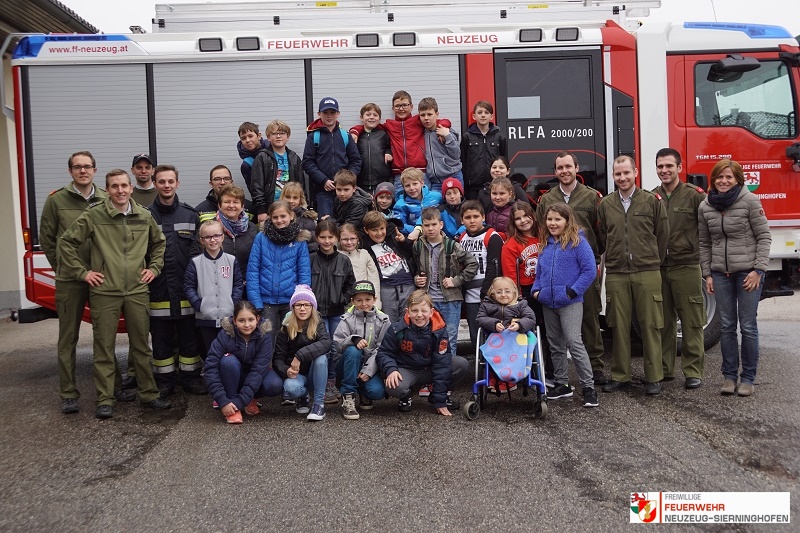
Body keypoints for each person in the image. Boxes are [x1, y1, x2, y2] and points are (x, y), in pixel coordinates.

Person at [58, 169, 171, 419]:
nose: (120, 190)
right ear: (107, 190)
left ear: (131, 188)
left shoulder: (143, 215)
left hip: (137, 291)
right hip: (104, 292)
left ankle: (149, 395)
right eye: (114, 186)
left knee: (141, 347)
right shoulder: (95, 214)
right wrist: (83, 273)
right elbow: (66, 242)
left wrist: (154, 268)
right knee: (104, 348)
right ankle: (105, 399)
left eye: (124, 186)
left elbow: (159, 243)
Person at [39, 151, 108, 414]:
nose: (82, 171)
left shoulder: (105, 197)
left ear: (94, 169)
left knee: (104, 336)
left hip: (101, 278)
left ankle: (107, 390)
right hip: (70, 280)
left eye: (87, 166)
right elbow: (48, 238)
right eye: (77, 167)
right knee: (68, 337)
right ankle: (69, 393)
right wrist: (64, 268)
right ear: (70, 171)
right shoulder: (56, 200)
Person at [698, 158, 771, 397]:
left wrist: (758, 270)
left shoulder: (749, 201)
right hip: (720, 274)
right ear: (713, 179)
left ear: (738, 179)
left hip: (747, 273)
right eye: (720, 177)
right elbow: (704, 243)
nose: (724, 181)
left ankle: (748, 377)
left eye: (729, 177)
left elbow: (764, 237)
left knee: (748, 326)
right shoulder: (706, 206)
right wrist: (707, 273)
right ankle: (729, 377)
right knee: (727, 327)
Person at [598, 155, 668, 395]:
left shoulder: (651, 201)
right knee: (618, 325)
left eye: (626, 172)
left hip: (647, 271)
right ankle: (620, 375)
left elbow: (662, 234)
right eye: (618, 174)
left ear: (635, 172)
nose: (622, 177)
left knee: (650, 325)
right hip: (617, 272)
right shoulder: (606, 204)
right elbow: (601, 237)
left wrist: (651, 258)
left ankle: (654, 377)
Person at [536, 151, 605, 384]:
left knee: (590, 319)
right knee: (557, 330)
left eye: (568, 166)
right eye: (559, 168)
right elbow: (542, 231)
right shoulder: (546, 199)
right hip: (559, 268)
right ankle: (561, 376)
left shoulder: (592, 197)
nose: (564, 171)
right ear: (555, 172)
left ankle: (596, 367)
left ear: (577, 168)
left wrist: (594, 255)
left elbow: (601, 231)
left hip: (584, 266)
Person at [532, 203, 599, 408]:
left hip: (569, 302)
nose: (553, 223)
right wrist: (537, 290)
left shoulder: (578, 242)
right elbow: (539, 273)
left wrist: (572, 291)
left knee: (573, 341)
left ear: (567, 220)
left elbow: (589, 271)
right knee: (555, 344)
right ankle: (562, 384)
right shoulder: (545, 244)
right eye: (550, 219)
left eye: (557, 219)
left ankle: (589, 387)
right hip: (548, 302)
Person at [147, 164, 205, 397]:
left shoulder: (191, 215)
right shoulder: (145, 216)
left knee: (189, 336)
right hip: (158, 288)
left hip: (185, 288)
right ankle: (165, 381)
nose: (167, 185)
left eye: (171, 181)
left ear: (177, 184)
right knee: (160, 338)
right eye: (162, 181)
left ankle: (190, 379)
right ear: (155, 184)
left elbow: (199, 253)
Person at [652, 148, 706, 389]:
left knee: (692, 320)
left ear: (679, 167)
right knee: (663, 321)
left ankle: (693, 371)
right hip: (660, 268)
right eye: (660, 166)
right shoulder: (652, 197)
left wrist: (708, 266)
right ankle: (665, 369)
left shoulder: (695, 196)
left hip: (687, 266)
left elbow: (708, 230)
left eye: (669, 166)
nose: (664, 170)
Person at [375, 290, 469, 415]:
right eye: (414, 311)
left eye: (424, 311)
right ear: (407, 312)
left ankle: (437, 395)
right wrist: (391, 370)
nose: (419, 315)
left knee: (461, 364)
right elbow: (384, 353)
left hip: (429, 368)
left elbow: (442, 365)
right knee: (394, 386)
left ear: (431, 312)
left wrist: (439, 400)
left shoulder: (439, 331)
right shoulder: (397, 329)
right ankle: (406, 395)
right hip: (406, 369)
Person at [349, 90, 451, 194]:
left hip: (420, 172)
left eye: (404, 105)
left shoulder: (419, 121)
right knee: (401, 204)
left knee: (424, 204)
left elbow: (442, 121)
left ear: (411, 106)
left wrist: (444, 127)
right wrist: (355, 131)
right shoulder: (389, 125)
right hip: (399, 174)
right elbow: (369, 125)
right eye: (397, 106)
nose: (401, 109)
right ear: (393, 108)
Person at [413, 207, 477, 360]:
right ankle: (430, 376)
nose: (430, 228)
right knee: (427, 340)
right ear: (422, 226)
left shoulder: (452, 245)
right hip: (427, 301)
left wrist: (456, 280)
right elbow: (414, 268)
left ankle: (449, 376)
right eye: (426, 225)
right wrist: (416, 278)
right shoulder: (418, 246)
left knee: (449, 340)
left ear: (441, 225)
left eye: (433, 224)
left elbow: (472, 264)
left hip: (450, 300)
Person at [203, 301, 282, 423]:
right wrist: (222, 400)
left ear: (257, 319)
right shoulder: (225, 335)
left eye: (251, 320)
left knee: (274, 384)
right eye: (241, 320)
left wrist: (240, 402)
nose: (247, 325)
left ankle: (248, 400)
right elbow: (210, 368)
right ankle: (231, 401)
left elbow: (257, 372)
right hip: (231, 376)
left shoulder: (264, 337)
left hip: (252, 377)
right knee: (228, 361)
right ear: (234, 321)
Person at [501, 201, 551, 387]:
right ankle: (530, 372)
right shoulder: (511, 245)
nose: (523, 221)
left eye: (525, 216)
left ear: (533, 215)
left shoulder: (545, 236)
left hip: (549, 289)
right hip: (528, 293)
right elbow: (510, 276)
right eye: (518, 218)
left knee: (550, 334)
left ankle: (551, 372)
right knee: (532, 334)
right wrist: (518, 299)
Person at [246, 200, 312, 338]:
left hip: (290, 301)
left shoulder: (299, 240)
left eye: (283, 216)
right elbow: (253, 271)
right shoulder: (261, 238)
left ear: (291, 216)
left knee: (290, 338)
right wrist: (256, 302)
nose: (279, 220)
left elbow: (304, 273)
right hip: (265, 301)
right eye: (275, 217)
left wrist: (301, 301)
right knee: (266, 339)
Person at [309, 219, 356, 404]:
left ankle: (331, 382)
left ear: (336, 238)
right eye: (323, 237)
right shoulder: (311, 258)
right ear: (316, 238)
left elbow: (351, 284)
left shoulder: (343, 260)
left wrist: (343, 299)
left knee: (336, 348)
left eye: (330, 237)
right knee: (322, 347)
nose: (327, 241)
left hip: (336, 311)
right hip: (317, 312)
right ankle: (318, 385)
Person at [184, 219, 244, 361]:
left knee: (228, 355)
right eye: (208, 237)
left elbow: (238, 284)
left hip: (227, 318)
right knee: (211, 355)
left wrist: (233, 302)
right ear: (201, 240)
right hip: (206, 319)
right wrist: (200, 305)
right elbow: (189, 286)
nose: (213, 240)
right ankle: (212, 381)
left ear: (222, 237)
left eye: (216, 236)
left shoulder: (231, 260)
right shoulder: (195, 263)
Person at [333, 280, 392, 419]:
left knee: (377, 392)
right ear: (352, 301)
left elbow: (383, 348)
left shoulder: (383, 320)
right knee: (354, 350)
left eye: (368, 299)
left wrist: (369, 370)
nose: (364, 304)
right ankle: (348, 396)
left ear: (375, 300)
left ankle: (363, 392)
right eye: (359, 300)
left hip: (370, 366)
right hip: (347, 364)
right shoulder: (346, 319)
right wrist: (353, 339)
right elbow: (337, 344)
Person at [273, 285, 331, 421]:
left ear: (312, 307)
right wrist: (286, 370)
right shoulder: (285, 328)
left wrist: (299, 356)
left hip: (314, 373)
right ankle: (303, 396)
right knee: (290, 387)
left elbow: (326, 343)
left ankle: (318, 404)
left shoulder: (318, 324)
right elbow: (278, 359)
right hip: (296, 374)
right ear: (293, 308)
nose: (303, 308)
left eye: (307, 305)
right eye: (298, 305)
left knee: (321, 358)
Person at [302, 97, 362, 218]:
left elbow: (356, 161)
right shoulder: (313, 137)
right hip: (323, 192)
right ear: (319, 114)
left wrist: (347, 181)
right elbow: (307, 163)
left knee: (348, 226)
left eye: (332, 112)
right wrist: (323, 180)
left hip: (345, 192)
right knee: (327, 227)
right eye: (325, 113)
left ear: (338, 114)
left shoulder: (345, 136)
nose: (329, 116)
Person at [475, 276, 536, 393]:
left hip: (516, 337)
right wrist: (494, 323)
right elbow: (480, 318)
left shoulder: (521, 304)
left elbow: (530, 318)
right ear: (493, 293)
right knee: (493, 348)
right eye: (499, 292)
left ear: (514, 291)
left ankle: (510, 378)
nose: (503, 295)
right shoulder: (487, 305)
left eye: (507, 291)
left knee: (517, 346)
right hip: (496, 337)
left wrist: (519, 325)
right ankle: (493, 376)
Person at [458, 200, 504, 348]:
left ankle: (495, 369)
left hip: (489, 294)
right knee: (475, 334)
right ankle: (481, 367)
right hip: (470, 295)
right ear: (462, 220)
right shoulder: (462, 238)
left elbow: (494, 266)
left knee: (494, 334)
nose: (472, 220)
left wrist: (486, 292)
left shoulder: (492, 236)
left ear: (483, 217)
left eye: (476, 216)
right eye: (468, 217)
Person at [361, 211, 416, 324]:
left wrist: (404, 241)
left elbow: (413, 252)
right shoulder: (365, 246)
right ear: (366, 230)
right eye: (374, 230)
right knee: (389, 324)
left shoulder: (394, 237)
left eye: (382, 228)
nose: (379, 233)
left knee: (409, 322)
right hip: (386, 288)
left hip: (408, 285)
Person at [250, 119, 304, 223]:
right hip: (270, 208)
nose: (278, 136)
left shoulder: (294, 158)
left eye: (282, 133)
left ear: (287, 137)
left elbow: (300, 185)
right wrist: (261, 210)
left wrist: (301, 206)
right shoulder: (262, 157)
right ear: (268, 137)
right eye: (274, 133)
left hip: (290, 208)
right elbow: (256, 185)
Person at [461, 100, 507, 200]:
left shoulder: (500, 137)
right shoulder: (467, 137)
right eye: (480, 112)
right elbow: (463, 163)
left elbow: (505, 162)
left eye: (486, 112)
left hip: (494, 187)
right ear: (474, 116)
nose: (483, 115)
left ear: (491, 116)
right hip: (472, 189)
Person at [418, 96, 463, 193]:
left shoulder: (447, 131)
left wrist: (447, 136)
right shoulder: (421, 133)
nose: (426, 118)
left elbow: (456, 155)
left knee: (455, 206)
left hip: (453, 176)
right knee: (435, 207)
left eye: (430, 114)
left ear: (437, 114)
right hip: (435, 182)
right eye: (423, 115)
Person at [216, 185, 259, 279]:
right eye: (227, 202)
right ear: (219, 205)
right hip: (218, 285)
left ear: (242, 206)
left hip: (246, 285)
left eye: (236, 202)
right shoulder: (210, 229)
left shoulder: (253, 229)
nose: (231, 206)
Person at [338, 223, 381, 310]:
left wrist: (375, 303)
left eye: (352, 239)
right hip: (345, 304)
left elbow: (374, 278)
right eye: (345, 239)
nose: (349, 242)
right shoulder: (337, 256)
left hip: (366, 303)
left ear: (358, 239)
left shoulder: (364, 254)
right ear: (339, 240)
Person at [355, 102, 392, 196]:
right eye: (368, 114)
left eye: (375, 115)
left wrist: (389, 152)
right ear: (361, 117)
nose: (372, 117)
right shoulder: (357, 135)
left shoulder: (383, 134)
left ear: (379, 119)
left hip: (381, 182)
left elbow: (389, 147)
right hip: (361, 182)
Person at [393, 167, 440, 238]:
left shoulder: (437, 197)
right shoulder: (401, 204)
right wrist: (416, 230)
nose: (412, 188)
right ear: (403, 187)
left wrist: (420, 228)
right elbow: (398, 224)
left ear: (422, 183)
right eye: (407, 185)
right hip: (415, 237)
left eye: (415, 184)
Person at [280, 182, 319, 254]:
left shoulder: (307, 219)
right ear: (282, 197)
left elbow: (313, 245)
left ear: (300, 200)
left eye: (295, 198)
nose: (291, 201)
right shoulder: (275, 217)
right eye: (288, 197)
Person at [236, 121, 269, 190]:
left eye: (250, 136)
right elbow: (254, 190)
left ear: (259, 136)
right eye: (243, 138)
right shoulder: (247, 164)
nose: (247, 140)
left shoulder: (272, 148)